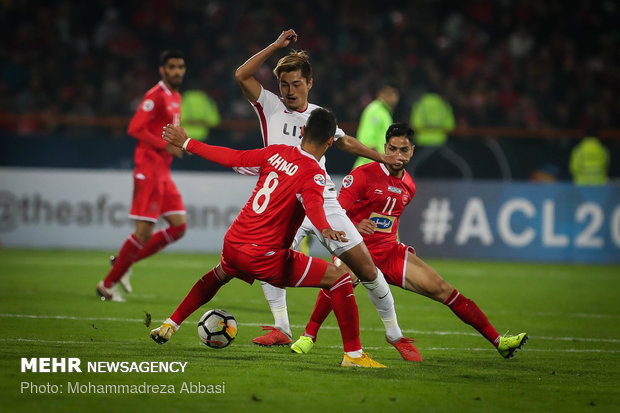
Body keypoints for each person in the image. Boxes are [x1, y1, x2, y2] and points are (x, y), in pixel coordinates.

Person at [234, 29, 418, 361]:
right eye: (284, 85)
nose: (289, 91)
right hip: (281, 202)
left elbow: (346, 142)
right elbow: (241, 74)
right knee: (268, 258)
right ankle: (282, 327)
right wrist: (275, 47)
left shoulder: (319, 117)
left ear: (309, 83)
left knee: (365, 268)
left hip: (321, 199)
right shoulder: (269, 106)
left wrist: (383, 157)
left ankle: (395, 334)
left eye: (296, 84)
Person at [150, 108, 386, 368]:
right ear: (331, 141)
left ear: (303, 131)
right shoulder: (314, 173)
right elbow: (314, 205)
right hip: (264, 256)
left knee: (218, 275)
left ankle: (169, 324)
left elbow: (233, 157)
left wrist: (187, 142)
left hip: (234, 243)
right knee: (340, 278)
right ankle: (353, 355)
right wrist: (325, 227)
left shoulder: (276, 152)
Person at [290, 123, 528, 360]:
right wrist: (355, 226)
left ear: (412, 151)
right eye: (392, 149)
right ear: (385, 148)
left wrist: (397, 246)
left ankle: (499, 342)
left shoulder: (409, 186)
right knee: (340, 278)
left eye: (403, 150)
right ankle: (308, 336)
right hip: (355, 250)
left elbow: (389, 221)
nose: (397, 156)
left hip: (389, 253)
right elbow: (337, 211)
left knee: (444, 289)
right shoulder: (362, 176)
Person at [97, 50, 188, 301]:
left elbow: (168, 131)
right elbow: (135, 128)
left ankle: (123, 263)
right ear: (162, 70)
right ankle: (107, 285)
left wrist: (180, 143)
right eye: (172, 67)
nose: (177, 71)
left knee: (179, 227)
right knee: (143, 233)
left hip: (163, 172)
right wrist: (165, 145)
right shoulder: (155, 95)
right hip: (148, 170)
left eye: (180, 67)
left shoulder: (176, 96)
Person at [409, 91, 472, 179]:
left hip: (422, 145)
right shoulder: (444, 105)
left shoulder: (420, 104)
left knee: (415, 173)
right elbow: (450, 126)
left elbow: (415, 124)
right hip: (441, 145)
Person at [352, 83, 400, 169]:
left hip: (379, 165)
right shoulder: (375, 111)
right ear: (381, 94)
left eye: (396, 94)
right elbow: (366, 141)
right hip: (369, 166)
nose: (394, 98)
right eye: (390, 94)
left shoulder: (385, 112)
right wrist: (382, 158)